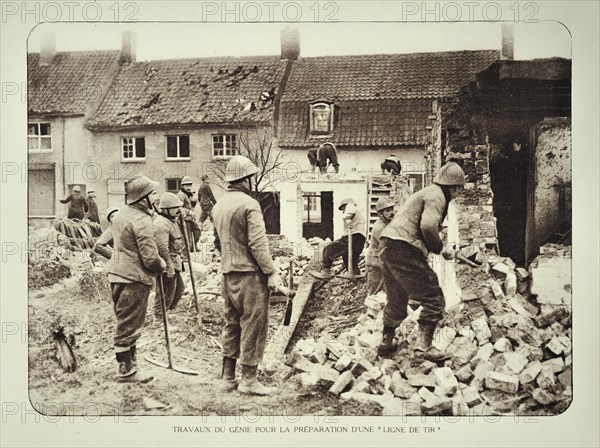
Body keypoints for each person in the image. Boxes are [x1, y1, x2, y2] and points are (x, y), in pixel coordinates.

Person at [377, 162, 465, 358]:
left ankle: (386, 344)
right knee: (433, 296)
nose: (458, 195)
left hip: (387, 245)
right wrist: (441, 248)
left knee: (397, 298)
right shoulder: (438, 196)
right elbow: (427, 226)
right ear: (455, 187)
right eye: (459, 190)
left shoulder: (426, 193)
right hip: (403, 248)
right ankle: (423, 347)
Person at [212, 155, 282, 395]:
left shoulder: (218, 206)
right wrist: (271, 272)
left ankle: (227, 377)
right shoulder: (249, 205)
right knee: (254, 325)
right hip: (250, 277)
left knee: (232, 324)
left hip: (227, 275)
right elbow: (259, 244)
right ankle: (249, 380)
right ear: (247, 179)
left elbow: (217, 243)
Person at [108, 175, 166, 380]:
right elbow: (150, 258)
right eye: (153, 194)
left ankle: (130, 365)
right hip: (135, 278)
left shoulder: (122, 214)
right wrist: (162, 265)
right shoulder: (142, 220)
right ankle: (125, 371)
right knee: (129, 324)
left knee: (125, 320)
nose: (156, 197)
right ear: (143, 198)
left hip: (116, 275)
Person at [311, 198, 366, 279]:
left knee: (328, 249)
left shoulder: (350, 206)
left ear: (346, 205)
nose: (343, 211)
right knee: (349, 260)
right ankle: (357, 280)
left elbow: (350, 211)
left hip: (353, 237)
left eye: (343, 208)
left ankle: (326, 272)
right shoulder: (359, 214)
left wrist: (347, 218)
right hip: (360, 240)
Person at [153, 192, 185, 319]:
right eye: (175, 207)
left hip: (174, 260)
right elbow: (162, 248)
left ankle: (165, 313)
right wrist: (169, 265)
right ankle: (159, 316)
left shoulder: (171, 221)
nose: (178, 210)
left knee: (179, 288)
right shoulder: (161, 224)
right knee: (165, 290)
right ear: (166, 209)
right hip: (165, 262)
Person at [365, 197, 395, 296]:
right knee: (374, 293)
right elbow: (389, 244)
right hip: (375, 263)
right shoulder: (380, 227)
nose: (391, 212)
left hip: (383, 262)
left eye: (392, 209)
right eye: (387, 210)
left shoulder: (388, 223)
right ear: (380, 214)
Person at [177, 176, 201, 250]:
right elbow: (179, 207)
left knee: (197, 231)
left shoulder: (188, 194)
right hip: (185, 219)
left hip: (191, 218)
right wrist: (189, 212)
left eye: (190, 185)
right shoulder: (181, 195)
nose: (189, 187)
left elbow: (192, 204)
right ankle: (186, 252)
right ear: (182, 186)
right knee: (187, 237)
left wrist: (194, 200)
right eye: (186, 185)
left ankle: (193, 246)